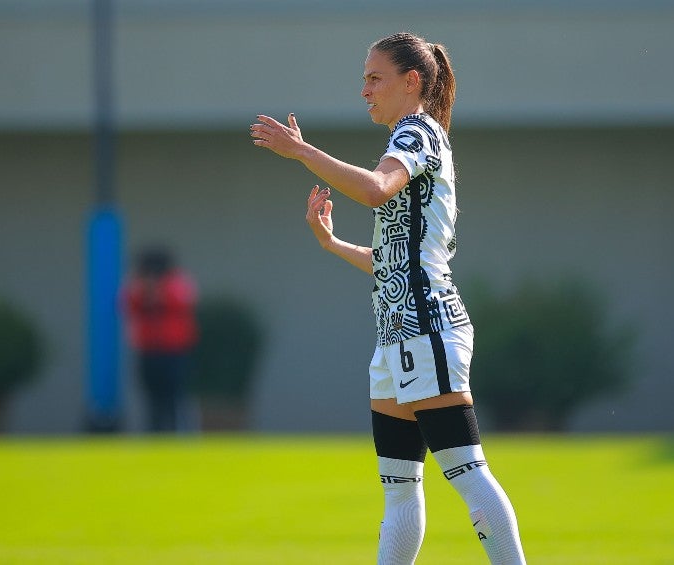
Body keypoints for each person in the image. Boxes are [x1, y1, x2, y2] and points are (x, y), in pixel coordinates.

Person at [251, 32, 527, 564]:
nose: (365, 90)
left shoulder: (418, 132)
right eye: (364, 80)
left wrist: (302, 151)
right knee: (400, 486)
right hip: (399, 335)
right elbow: (392, 263)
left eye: (374, 78)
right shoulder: (410, 135)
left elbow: (376, 189)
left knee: (467, 472)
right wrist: (332, 244)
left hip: (428, 326)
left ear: (412, 82)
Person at [122, 246, 198, 433]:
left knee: (174, 397)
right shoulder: (137, 287)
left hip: (174, 351)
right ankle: (154, 435)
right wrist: (144, 288)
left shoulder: (177, 282)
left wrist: (158, 290)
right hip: (148, 351)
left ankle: (177, 434)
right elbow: (127, 303)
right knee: (152, 399)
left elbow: (183, 300)